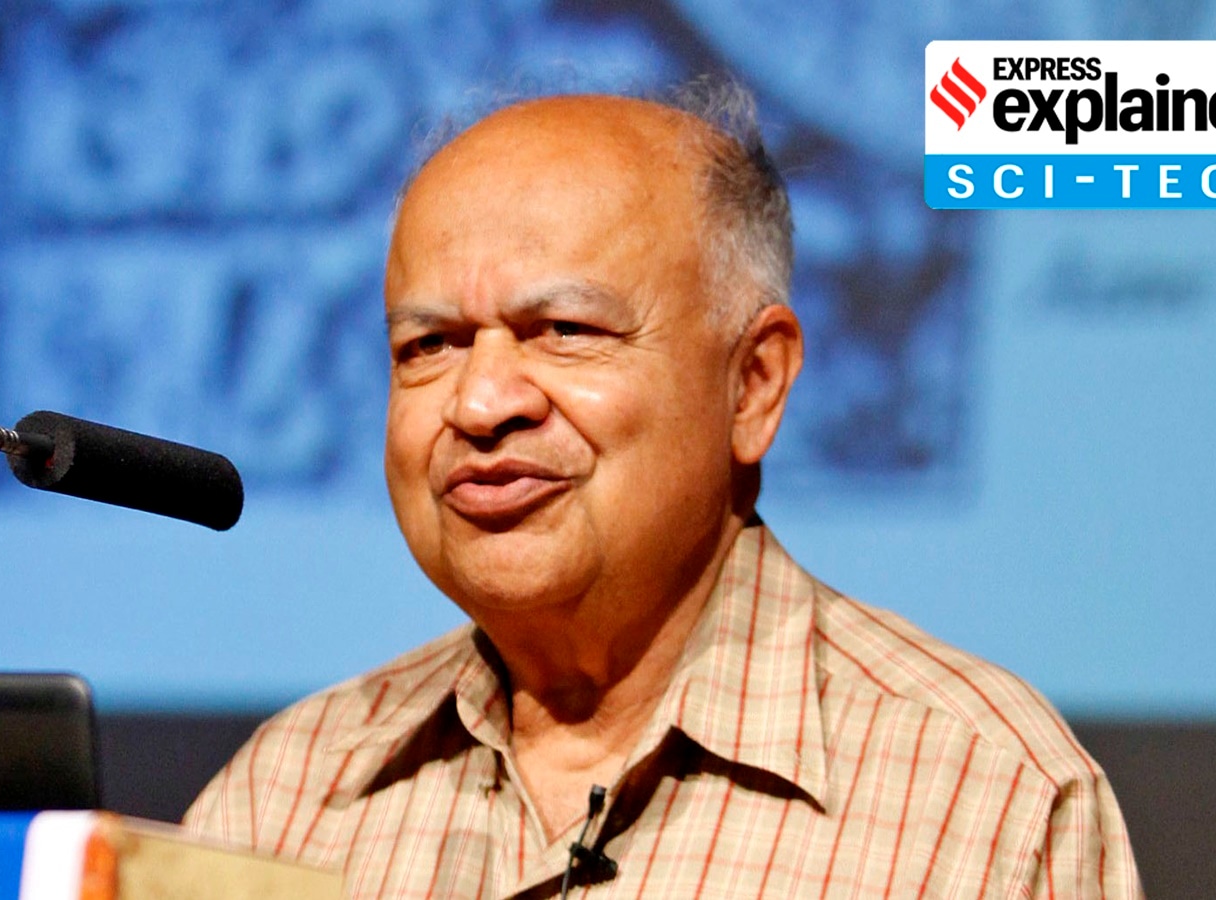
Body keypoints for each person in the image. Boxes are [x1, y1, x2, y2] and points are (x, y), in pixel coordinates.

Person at [185, 82, 1143, 898]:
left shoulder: (985, 803)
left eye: (563, 329)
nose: (480, 402)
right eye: (426, 347)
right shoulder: (284, 800)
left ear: (754, 383)